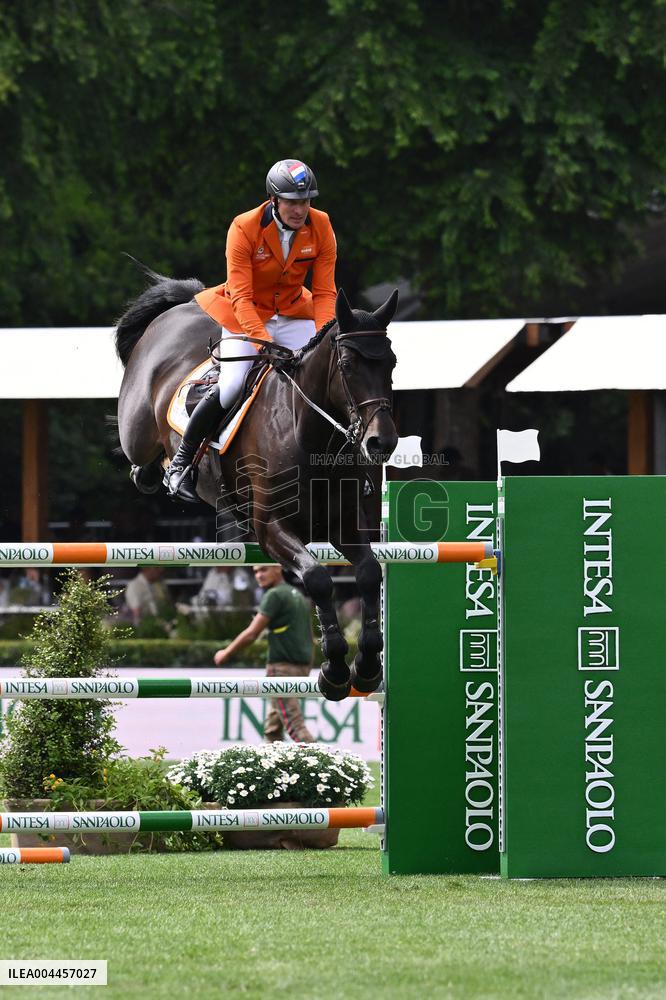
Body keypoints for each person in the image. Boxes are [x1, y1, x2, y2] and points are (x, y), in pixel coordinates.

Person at [164, 158, 338, 502]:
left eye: (305, 201)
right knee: (231, 386)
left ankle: (352, 463)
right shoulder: (243, 228)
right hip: (245, 315)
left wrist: (324, 338)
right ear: (273, 199)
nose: (300, 209)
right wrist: (263, 342)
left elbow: (324, 293)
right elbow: (241, 297)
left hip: (294, 312)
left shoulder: (322, 225)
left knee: (329, 376)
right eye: (292, 202)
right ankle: (181, 463)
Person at [213, 564, 316, 743]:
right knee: (273, 728)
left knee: (296, 728)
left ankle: (321, 759)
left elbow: (252, 633)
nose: (259, 575)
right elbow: (310, 635)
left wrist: (226, 652)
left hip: (282, 669)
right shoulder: (295, 593)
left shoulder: (274, 595)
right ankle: (270, 761)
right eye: (255, 572)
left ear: (278, 568)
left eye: (263, 570)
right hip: (302, 667)